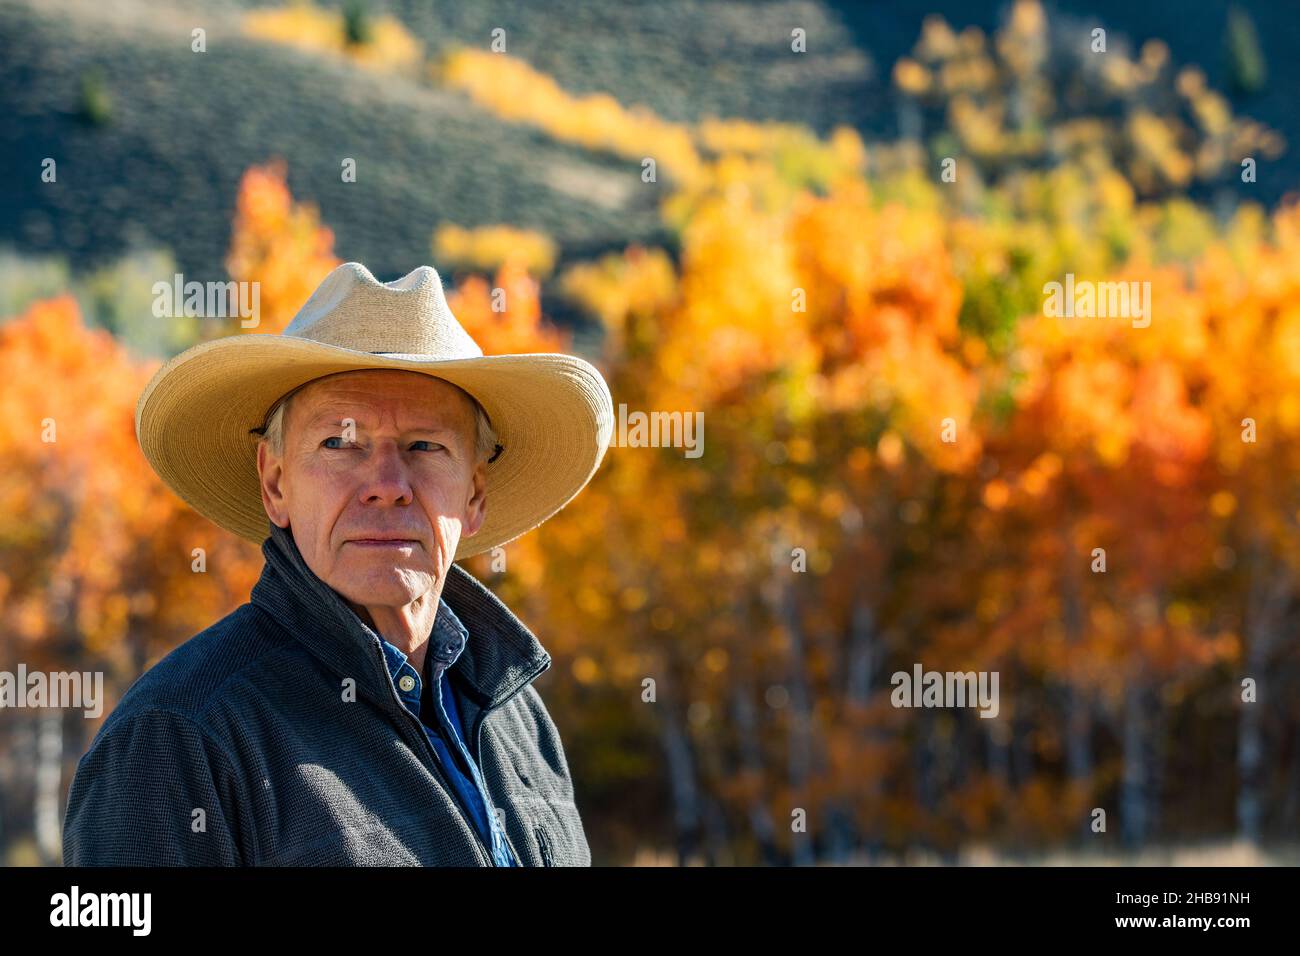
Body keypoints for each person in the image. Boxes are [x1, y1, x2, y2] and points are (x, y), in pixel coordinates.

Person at [62, 261, 614, 865]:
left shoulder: (517, 719)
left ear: (475, 495)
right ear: (275, 484)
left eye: (425, 446)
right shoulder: (177, 742)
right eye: (340, 443)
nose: (387, 485)